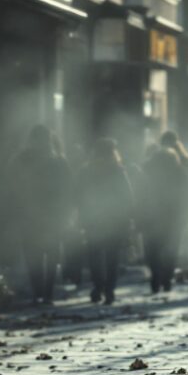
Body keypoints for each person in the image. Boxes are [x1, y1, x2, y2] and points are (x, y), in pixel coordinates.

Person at [11, 125, 72, 305]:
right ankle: (47, 293)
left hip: (29, 216)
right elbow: (68, 189)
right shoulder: (59, 161)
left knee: (33, 256)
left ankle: (38, 292)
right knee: (51, 255)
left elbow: (12, 187)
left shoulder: (20, 160)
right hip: (52, 216)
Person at [76, 138, 134, 305]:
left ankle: (98, 286)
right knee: (112, 257)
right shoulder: (117, 170)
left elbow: (78, 195)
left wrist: (81, 215)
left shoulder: (86, 171)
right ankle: (110, 290)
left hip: (93, 220)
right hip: (115, 221)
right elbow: (127, 196)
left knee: (95, 255)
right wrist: (128, 217)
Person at [139, 137, 188, 292]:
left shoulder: (147, 171)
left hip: (151, 218)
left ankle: (156, 276)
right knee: (171, 249)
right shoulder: (179, 172)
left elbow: (140, 194)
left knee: (152, 250)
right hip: (174, 219)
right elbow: (187, 195)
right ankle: (167, 278)